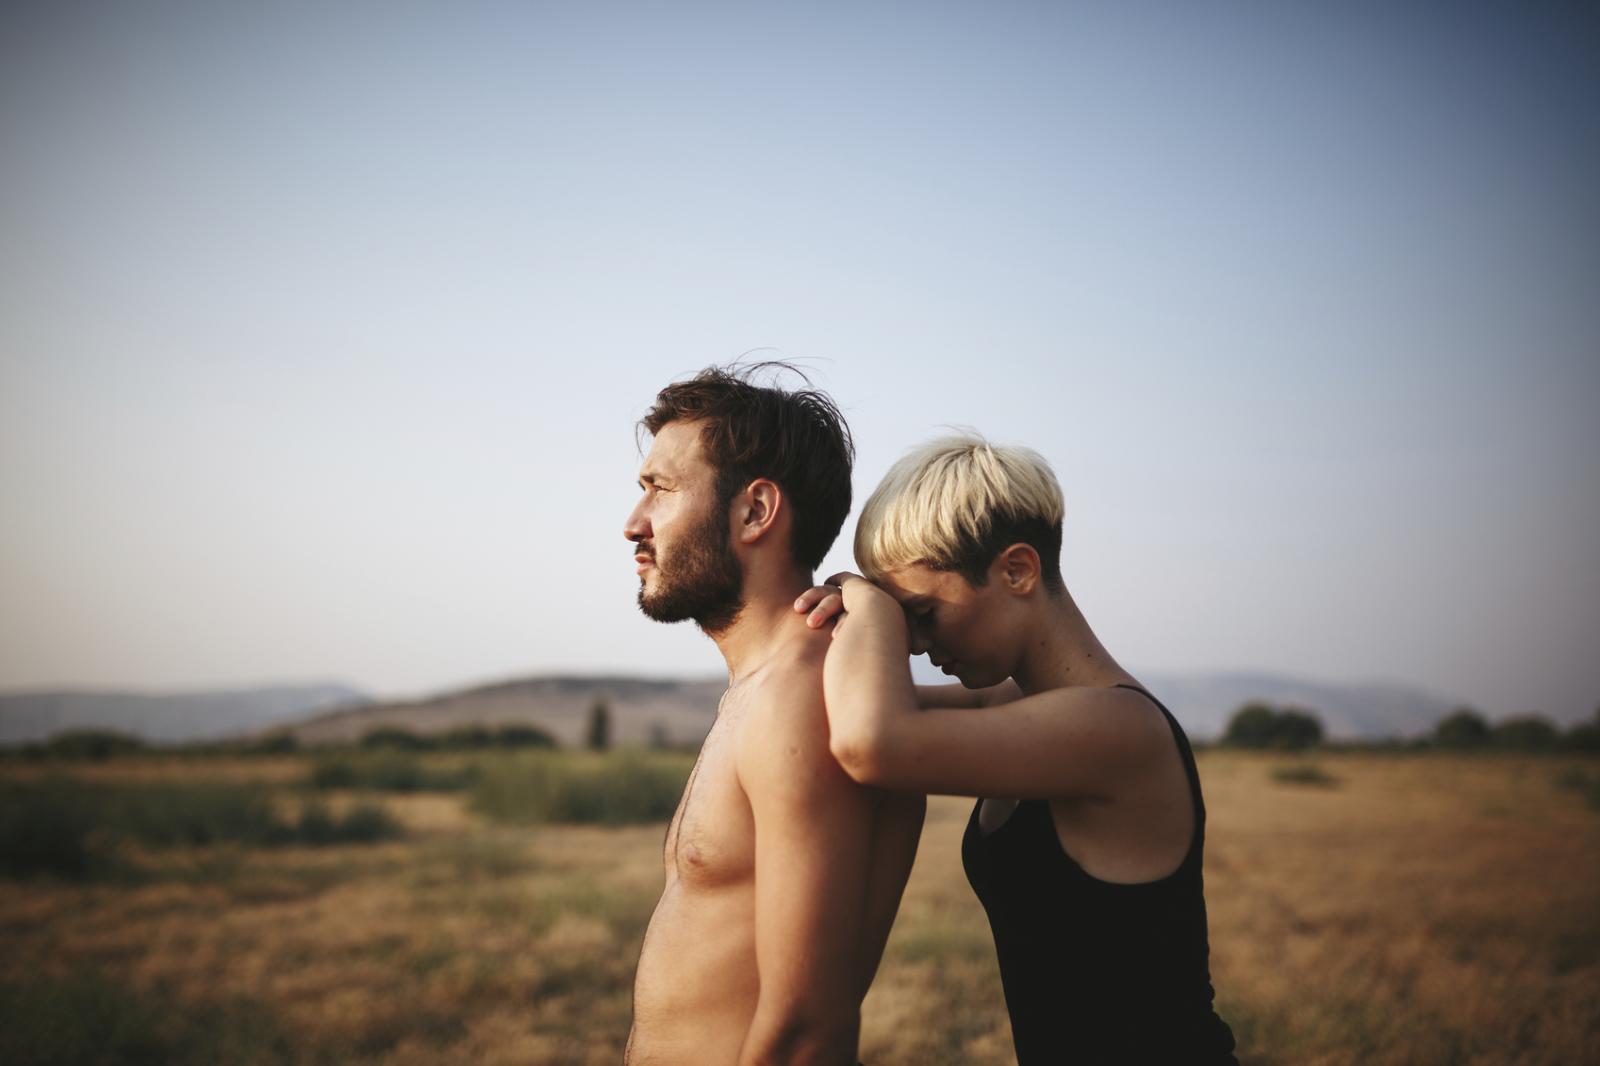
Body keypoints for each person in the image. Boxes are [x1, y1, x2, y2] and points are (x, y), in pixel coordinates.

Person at [795, 433, 1238, 1065]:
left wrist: (864, 601)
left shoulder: (1120, 728)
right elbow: (836, 712)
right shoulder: (1012, 704)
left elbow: (873, 740)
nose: (913, 643)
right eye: (902, 619)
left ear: (1017, 571)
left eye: (922, 613)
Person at [622, 365, 925, 1066]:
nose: (633, 523)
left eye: (661, 489)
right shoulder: (767, 687)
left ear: (756, 511)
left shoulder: (799, 696)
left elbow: (807, 1032)